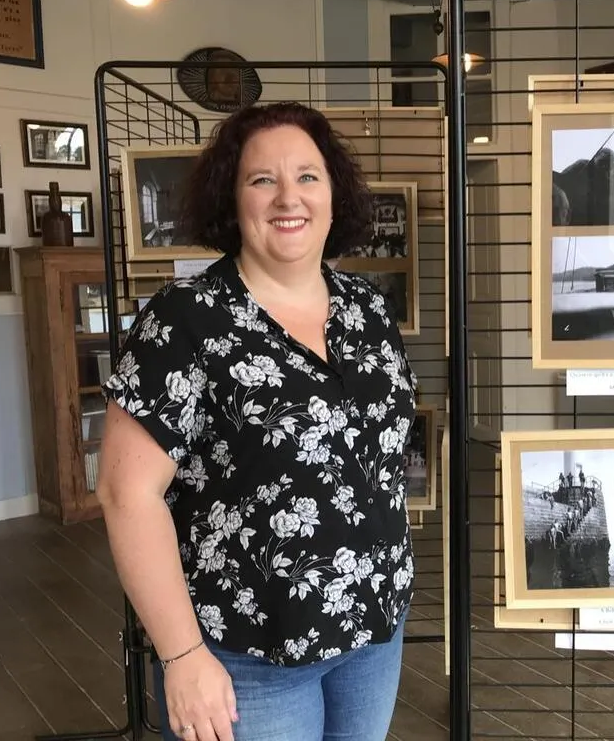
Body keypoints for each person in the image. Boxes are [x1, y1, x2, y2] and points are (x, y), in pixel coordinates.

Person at [96, 101, 418, 741]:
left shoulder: (367, 311)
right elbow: (125, 494)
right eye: (261, 179)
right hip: (248, 654)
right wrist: (183, 657)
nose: (286, 197)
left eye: (307, 176)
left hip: (374, 628)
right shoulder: (186, 318)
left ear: (334, 193)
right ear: (232, 198)